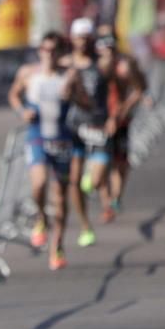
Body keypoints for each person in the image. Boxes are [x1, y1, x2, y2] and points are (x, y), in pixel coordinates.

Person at [10, 31, 76, 270]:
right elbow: (14, 95)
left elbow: (85, 102)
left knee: (60, 196)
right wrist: (22, 112)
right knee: (38, 185)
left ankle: (57, 245)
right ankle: (41, 217)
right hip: (37, 136)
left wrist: (74, 94)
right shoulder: (28, 73)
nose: (48, 54)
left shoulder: (69, 76)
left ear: (60, 53)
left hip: (61, 140)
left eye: (53, 50)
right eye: (44, 49)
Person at [93, 25, 146, 216]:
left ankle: (115, 198)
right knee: (100, 166)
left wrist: (122, 111)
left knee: (119, 163)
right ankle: (106, 200)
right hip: (99, 122)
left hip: (121, 122)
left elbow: (138, 89)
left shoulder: (124, 65)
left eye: (108, 41)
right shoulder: (94, 65)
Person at [63, 17, 105, 244]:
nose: (82, 42)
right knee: (74, 180)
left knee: (95, 180)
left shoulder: (101, 63)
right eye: (78, 37)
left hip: (97, 125)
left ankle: (96, 183)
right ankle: (85, 226)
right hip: (73, 127)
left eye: (86, 37)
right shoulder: (66, 64)